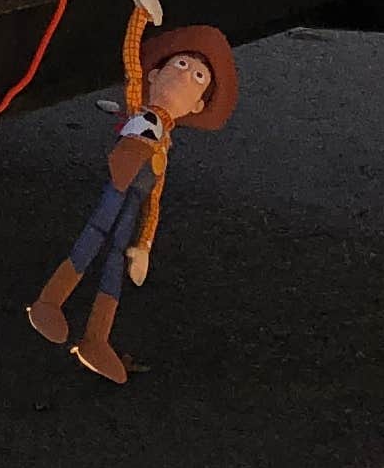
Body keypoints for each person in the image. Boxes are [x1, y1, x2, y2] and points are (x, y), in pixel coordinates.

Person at [26, 24, 237, 383]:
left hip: (134, 202)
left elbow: (155, 197)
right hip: (118, 190)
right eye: (182, 67)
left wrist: (145, 245)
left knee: (114, 262)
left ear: (198, 105)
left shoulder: (165, 141)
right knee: (90, 240)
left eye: (198, 77)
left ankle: (97, 338)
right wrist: (140, 9)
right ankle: (50, 302)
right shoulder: (142, 108)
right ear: (155, 74)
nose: (186, 78)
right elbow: (131, 57)